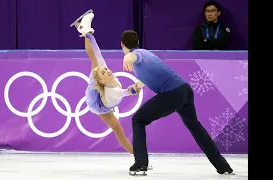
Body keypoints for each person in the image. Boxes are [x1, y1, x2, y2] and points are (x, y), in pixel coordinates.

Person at [120, 30, 233, 176]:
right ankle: (222, 165)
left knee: (138, 120)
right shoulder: (146, 54)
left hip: (172, 94)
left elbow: (134, 55)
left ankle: (141, 163)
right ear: (137, 42)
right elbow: (149, 75)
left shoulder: (138, 54)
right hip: (184, 91)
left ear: (122, 44)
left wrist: (128, 56)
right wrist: (135, 87)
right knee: (195, 127)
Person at [71, 12, 152, 169]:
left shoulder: (105, 77)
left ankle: (85, 31)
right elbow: (128, 91)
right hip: (96, 101)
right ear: (101, 80)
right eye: (104, 72)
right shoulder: (111, 91)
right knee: (96, 60)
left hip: (102, 95)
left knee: (97, 58)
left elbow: (96, 56)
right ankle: (85, 31)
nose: (108, 70)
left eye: (106, 70)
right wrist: (140, 84)